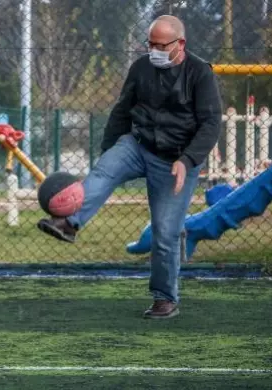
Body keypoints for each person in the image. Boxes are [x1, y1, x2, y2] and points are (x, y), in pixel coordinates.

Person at [37, 15, 222, 319]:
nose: (154, 50)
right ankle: (69, 222)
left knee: (165, 232)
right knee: (103, 172)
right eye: (150, 44)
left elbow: (211, 124)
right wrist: (109, 151)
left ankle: (165, 298)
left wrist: (186, 161)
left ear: (181, 44)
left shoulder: (200, 74)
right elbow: (122, 110)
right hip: (138, 145)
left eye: (161, 45)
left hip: (177, 160)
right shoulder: (141, 68)